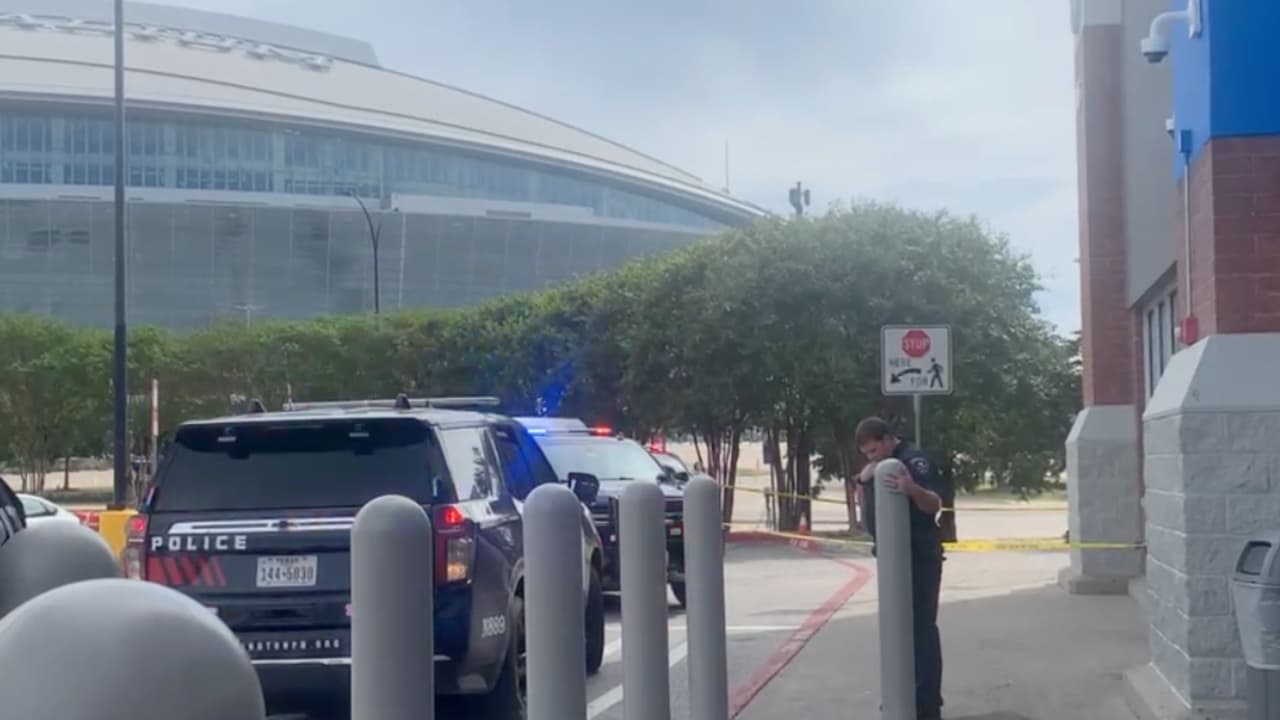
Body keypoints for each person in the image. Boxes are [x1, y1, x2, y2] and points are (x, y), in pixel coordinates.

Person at [854, 416, 944, 720]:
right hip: (893, 559)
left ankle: (927, 705)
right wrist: (863, 478)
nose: (873, 457)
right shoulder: (881, 466)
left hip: (919, 558)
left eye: (875, 451)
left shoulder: (912, 461)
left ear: (889, 439)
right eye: (867, 454)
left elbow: (934, 504)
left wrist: (910, 489)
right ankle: (900, 696)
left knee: (920, 632)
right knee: (896, 630)